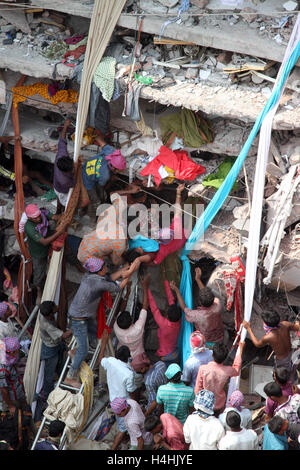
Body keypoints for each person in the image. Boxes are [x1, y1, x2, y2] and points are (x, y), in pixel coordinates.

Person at [65, 257, 127, 388]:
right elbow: (117, 288)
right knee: (84, 349)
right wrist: (129, 273)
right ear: (99, 271)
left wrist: (122, 271)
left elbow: (108, 278)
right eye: (104, 267)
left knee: (97, 334)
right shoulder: (97, 283)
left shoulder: (90, 276)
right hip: (79, 320)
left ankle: (75, 352)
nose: (106, 269)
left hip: (81, 317)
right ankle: (69, 377)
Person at [122, 184, 188, 276]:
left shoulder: (162, 250)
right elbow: (177, 209)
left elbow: (155, 263)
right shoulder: (176, 227)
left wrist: (144, 262)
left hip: (182, 242)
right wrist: (178, 193)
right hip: (185, 236)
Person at [24, 203, 67, 304]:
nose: (39, 218)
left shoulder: (42, 213)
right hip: (38, 252)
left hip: (49, 236)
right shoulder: (29, 227)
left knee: (66, 249)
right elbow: (44, 242)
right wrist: (59, 232)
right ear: (29, 218)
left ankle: (78, 265)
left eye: (39, 216)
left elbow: (54, 217)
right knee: (38, 275)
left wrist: (63, 218)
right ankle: (39, 292)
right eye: (35, 218)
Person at [170, 269, 224, 348]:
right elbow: (206, 294)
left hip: (206, 342)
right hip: (220, 338)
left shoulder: (197, 315)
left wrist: (177, 291)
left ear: (200, 303)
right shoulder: (218, 304)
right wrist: (198, 279)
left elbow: (184, 308)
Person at [243, 311, 300, 383]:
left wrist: (249, 329)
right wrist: (297, 323)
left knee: (283, 374)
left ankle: (287, 381)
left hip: (282, 360)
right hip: (290, 352)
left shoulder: (268, 337)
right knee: (291, 365)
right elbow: (297, 328)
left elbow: (257, 344)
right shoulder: (286, 324)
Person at [81, 134, 126, 222]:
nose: (119, 172)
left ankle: (101, 205)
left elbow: (100, 140)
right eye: (118, 170)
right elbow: (99, 186)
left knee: (103, 196)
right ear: (113, 167)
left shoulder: (112, 152)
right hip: (87, 178)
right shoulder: (105, 175)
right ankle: (93, 218)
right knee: (97, 200)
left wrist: (93, 133)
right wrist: (101, 197)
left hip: (88, 164)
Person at [101, 346, 138, 450]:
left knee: (122, 422)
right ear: (128, 357)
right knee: (122, 428)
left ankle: (125, 438)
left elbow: (101, 359)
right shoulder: (128, 374)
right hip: (123, 404)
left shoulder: (110, 361)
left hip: (113, 400)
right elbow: (132, 392)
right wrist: (135, 405)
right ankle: (114, 447)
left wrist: (103, 345)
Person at [195, 341, 245, 415]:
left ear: (212, 355)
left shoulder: (203, 369)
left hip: (204, 405)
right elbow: (237, 370)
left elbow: (198, 389)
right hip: (219, 404)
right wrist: (240, 350)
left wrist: (199, 403)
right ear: (225, 358)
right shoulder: (228, 370)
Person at [39, 301, 72, 400]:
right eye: (54, 312)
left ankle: (62, 379)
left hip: (56, 344)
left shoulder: (45, 310)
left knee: (61, 364)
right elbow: (64, 335)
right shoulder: (47, 324)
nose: (57, 309)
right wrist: (76, 327)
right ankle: (47, 395)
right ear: (49, 315)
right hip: (50, 348)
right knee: (49, 373)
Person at [147, 275, 181, 366]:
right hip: (175, 352)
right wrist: (165, 280)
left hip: (164, 355)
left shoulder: (163, 324)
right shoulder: (178, 320)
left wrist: (147, 289)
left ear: (167, 316)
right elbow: (171, 300)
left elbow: (154, 309)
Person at [114, 275, 149, 362]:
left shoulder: (116, 327)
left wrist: (127, 293)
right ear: (131, 322)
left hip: (124, 349)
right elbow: (144, 307)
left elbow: (121, 310)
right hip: (138, 353)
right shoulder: (138, 328)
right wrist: (145, 287)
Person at [53, 117, 76, 211]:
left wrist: (65, 126)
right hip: (61, 190)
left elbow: (62, 139)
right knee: (68, 205)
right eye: (72, 169)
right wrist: (77, 171)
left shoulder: (62, 155)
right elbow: (73, 184)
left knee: (60, 200)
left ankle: (59, 210)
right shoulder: (64, 180)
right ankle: (62, 212)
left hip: (56, 184)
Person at [0, 337, 26, 416]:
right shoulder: (2, 368)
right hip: (13, 398)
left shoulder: (11, 357)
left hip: (19, 392)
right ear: (11, 352)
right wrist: (11, 406)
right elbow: (3, 389)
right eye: (17, 351)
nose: (18, 352)